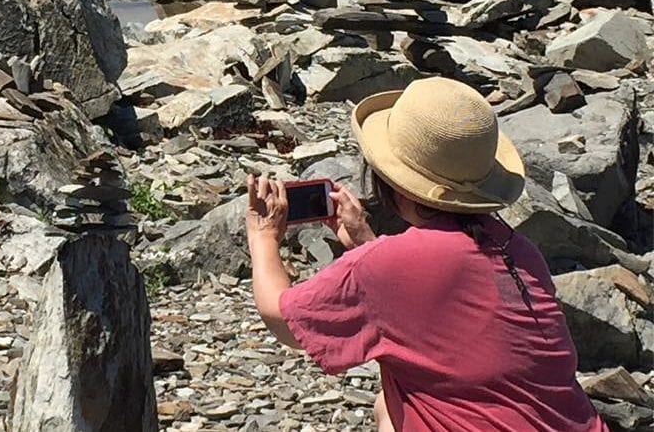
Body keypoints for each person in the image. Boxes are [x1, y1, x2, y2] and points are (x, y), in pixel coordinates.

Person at [245, 77, 609, 432]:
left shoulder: (388, 263)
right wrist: (364, 241)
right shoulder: (519, 249)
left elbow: (283, 319)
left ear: (396, 186)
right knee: (388, 405)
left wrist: (263, 236)